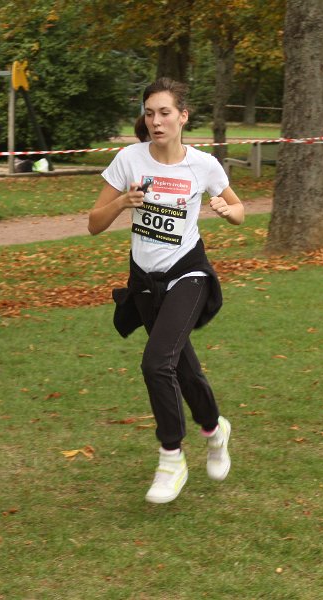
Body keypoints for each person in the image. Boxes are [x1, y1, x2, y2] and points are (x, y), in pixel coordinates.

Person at [88, 77, 245, 504]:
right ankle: (215, 429)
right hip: (145, 281)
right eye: (149, 113)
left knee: (156, 362)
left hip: (188, 274)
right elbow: (94, 223)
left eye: (164, 113)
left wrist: (226, 209)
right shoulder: (129, 159)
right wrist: (121, 203)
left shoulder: (203, 165)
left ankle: (171, 457)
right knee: (182, 367)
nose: (155, 121)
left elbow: (239, 209)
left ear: (182, 117)